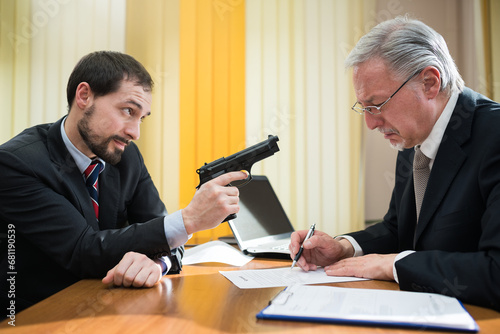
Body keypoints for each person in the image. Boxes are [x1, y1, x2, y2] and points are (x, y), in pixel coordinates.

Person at [0, 51, 248, 312]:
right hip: (35, 317)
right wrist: (188, 220)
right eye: (128, 111)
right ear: (84, 96)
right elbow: (83, 249)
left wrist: (156, 265)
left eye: (141, 118)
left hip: (109, 307)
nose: (135, 132)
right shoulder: (15, 164)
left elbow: (162, 235)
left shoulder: (126, 156)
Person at [289, 16, 500, 311]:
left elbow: (495, 271)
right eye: (363, 108)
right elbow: (398, 228)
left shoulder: (494, 136)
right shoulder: (413, 136)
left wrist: (392, 265)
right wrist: (344, 248)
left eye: (376, 105)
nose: (371, 123)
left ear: (429, 82)